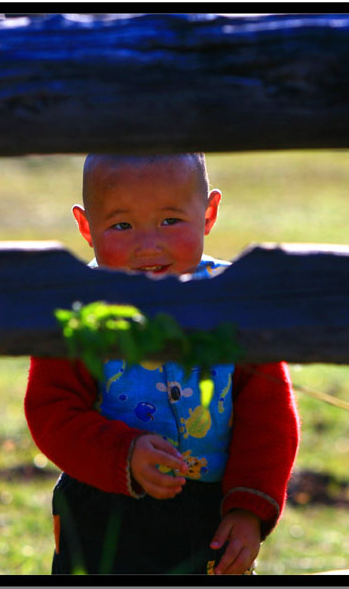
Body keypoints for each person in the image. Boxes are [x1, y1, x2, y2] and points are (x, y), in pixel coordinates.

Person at [24, 153, 300, 575]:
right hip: (103, 507)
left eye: (170, 221)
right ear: (86, 227)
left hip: (214, 512)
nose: (148, 244)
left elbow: (268, 416)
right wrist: (123, 453)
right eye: (121, 226)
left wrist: (249, 510)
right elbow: (51, 410)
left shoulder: (233, 302)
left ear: (208, 214)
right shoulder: (81, 312)